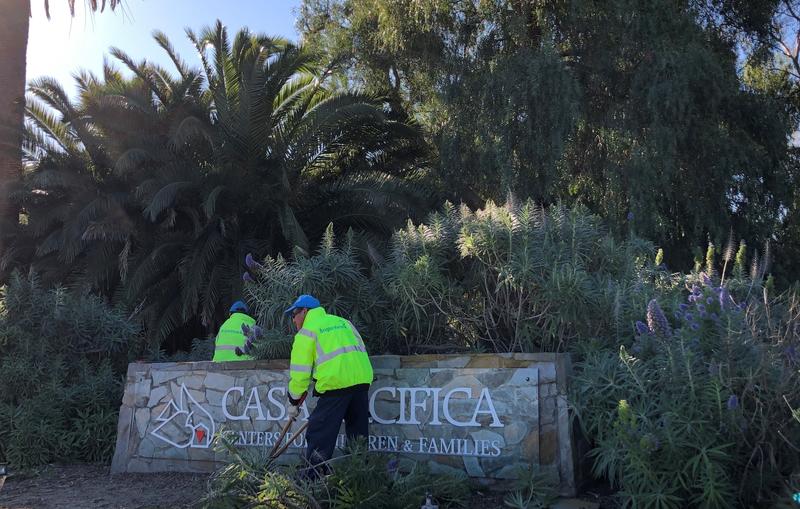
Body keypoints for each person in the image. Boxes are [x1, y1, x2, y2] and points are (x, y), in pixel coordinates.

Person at [284, 294, 373, 475]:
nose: (293, 320)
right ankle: (359, 479)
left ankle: (315, 481)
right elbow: (360, 349)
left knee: (319, 434)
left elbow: (300, 374)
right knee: (358, 438)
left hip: (335, 386)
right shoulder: (344, 323)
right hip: (361, 383)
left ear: (305, 311)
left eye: (294, 314)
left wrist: (293, 402)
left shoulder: (307, 332)